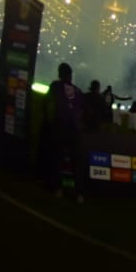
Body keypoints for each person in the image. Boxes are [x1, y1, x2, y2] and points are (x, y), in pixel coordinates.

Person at [44, 63, 86, 203]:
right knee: (76, 162)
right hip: (74, 130)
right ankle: (79, 193)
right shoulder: (78, 91)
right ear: (70, 75)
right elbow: (81, 110)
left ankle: (58, 189)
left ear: (60, 74)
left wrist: (50, 121)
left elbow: (48, 102)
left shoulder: (55, 86)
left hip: (60, 127)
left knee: (57, 158)